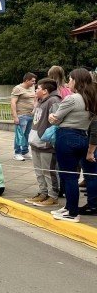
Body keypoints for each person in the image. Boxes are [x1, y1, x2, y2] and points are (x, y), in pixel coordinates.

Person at [48, 67, 97, 222]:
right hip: (83, 136)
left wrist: (51, 116)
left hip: (67, 136)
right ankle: (69, 207)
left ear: (76, 80)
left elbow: (55, 118)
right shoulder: (91, 98)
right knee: (74, 176)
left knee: (69, 176)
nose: (68, 81)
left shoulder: (72, 98)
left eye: (70, 79)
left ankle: (72, 212)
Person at [26, 78, 61, 207]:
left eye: (38, 88)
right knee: (39, 170)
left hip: (46, 144)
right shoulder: (41, 101)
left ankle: (52, 196)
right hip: (36, 142)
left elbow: (56, 121)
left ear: (45, 91)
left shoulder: (54, 101)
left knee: (48, 171)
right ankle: (42, 192)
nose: (36, 90)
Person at [11, 73, 37, 161]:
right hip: (21, 115)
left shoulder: (32, 87)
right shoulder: (17, 88)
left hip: (31, 115)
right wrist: (15, 116)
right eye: (32, 81)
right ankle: (17, 153)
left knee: (27, 134)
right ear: (27, 80)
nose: (34, 83)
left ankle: (25, 152)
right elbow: (13, 102)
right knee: (19, 135)